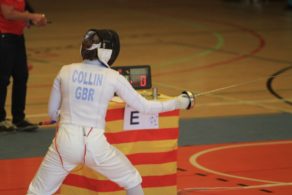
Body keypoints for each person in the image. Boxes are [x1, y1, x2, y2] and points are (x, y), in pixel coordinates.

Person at [27, 29, 194, 195]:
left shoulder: (65, 70)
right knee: (132, 179)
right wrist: (179, 102)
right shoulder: (113, 77)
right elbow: (145, 107)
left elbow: (52, 113)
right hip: (95, 146)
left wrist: (65, 116)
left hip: (64, 144)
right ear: (109, 53)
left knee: (37, 191)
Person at [0, 0, 47, 132]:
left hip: (17, 37)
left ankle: (19, 118)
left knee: (21, 76)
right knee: (3, 79)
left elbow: (26, 14)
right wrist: (32, 17)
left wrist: (36, 20)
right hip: (4, 37)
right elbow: (8, 13)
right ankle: (0, 119)